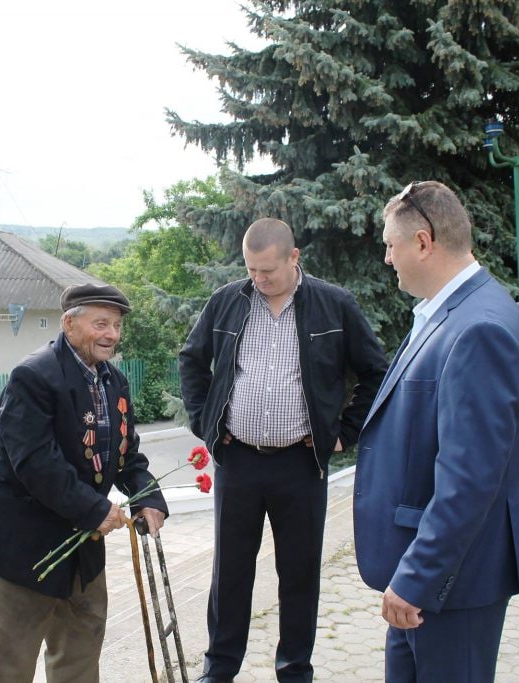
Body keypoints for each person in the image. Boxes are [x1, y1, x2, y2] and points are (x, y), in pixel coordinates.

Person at [179, 217, 388, 682]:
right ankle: (219, 668)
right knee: (230, 572)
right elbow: (192, 360)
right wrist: (204, 422)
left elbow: (376, 371)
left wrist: (344, 433)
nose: (259, 279)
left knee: (299, 574)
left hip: (301, 463)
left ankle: (294, 670)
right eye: (251, 270)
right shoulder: (227, 301)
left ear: (294, 257)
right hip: (237, 460)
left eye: (268, 270)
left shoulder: (334, 305)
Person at [353, 181, 519, 682]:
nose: (387, 259)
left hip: (450, 583)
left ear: (423, 242)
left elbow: (470, 479)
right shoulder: (452, 311)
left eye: (390, 245)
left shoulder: (480, 327)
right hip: (427, 577)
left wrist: (417, 577)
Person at [0, 283, 168, 683]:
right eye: (101, 324)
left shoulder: (114, 381)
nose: (112, 334)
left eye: (117, 325)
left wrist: (147, 496)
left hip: (83, 555)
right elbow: (35, 462)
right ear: (68, 323)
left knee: (79, 660)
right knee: (6, 665)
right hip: (26, 553)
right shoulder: (33, 376)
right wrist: (95, 509)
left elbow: (127, 455)